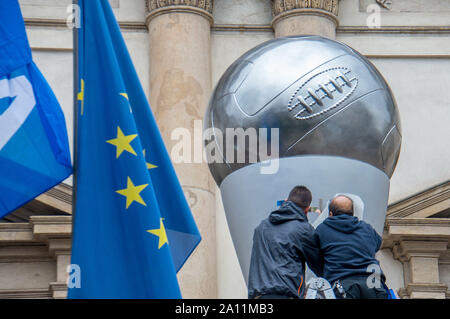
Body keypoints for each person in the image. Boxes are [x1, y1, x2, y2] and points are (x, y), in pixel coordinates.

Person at [248, 186, 323, 299]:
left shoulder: (261, 227)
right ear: (307, 209)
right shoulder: (303, 229)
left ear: (286, 201)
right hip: (286, 294)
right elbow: (318, 265)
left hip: (259, 296)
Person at [315, 195, 388, 299]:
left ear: (330, 214)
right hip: (373, 285)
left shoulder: (322, 230)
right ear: (352, 213)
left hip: (343, 284)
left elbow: (314, 258)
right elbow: (376, 245)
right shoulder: (366, 228)